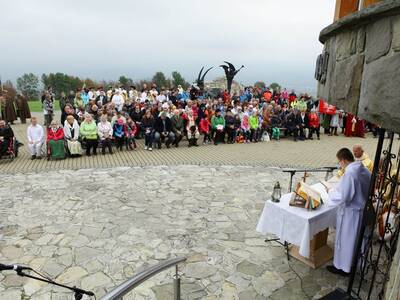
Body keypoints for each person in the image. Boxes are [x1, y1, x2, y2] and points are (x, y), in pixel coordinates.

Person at [326, 148, 371, 276]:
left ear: (344, 160)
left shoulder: (350, 173)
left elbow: (345, 197)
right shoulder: (364, 169)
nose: (339, 165)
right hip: (360, 211)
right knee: (354, 240)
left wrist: (330, 192)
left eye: (339, 162)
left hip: (351, 213)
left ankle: (343, 267)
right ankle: (352, 264)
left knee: (347, 241)